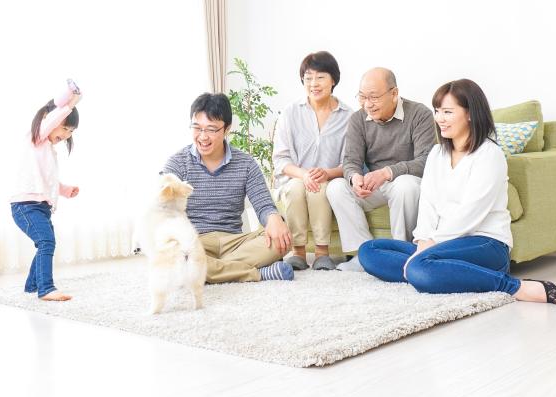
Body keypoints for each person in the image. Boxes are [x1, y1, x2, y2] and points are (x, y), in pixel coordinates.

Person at [358, 79, 556, 304]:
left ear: (470, 114)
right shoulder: (437, 153)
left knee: (419, 267)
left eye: (447, 112)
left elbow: (471, 212)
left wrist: (432, 244)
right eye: (437, 111)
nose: (439, 119)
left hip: (485, 243)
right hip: (440, 245)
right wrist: (423, 241)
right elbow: (428, 204)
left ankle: (513, 286)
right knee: (368, 251)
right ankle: (440, 271)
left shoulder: (489, 154)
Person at [161, 93, 295, 283]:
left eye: (211, 129)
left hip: (234, 242)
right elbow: (162, 204)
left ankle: (207, 268)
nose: (203, 136)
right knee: (173, 254)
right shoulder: (177, 163)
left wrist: (274, 218)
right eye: (197, 128)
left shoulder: (246, 164)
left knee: (281, 239)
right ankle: (258, 273)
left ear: (227, 129)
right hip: (194, 240)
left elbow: (264, 205)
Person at [327, 68, 436, 271]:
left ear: (394, 94)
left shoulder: (420, 114)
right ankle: (364, 255)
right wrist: (355, 177)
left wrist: (387, 172)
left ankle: (401, 254)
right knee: (336, 187)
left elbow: (426, 161)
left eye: (374, 97)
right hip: (374, 185)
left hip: (406, 181)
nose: (367, 104)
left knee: (405, 186)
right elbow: (351, 160)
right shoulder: (358, 119)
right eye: (362, 97)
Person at [272, 51, 351, 271]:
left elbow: (350, 161)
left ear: (333, 80)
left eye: (320, 77)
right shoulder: (290, 112)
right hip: (294, 178)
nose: (313, 84)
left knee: (319, 188)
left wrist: (327, 173)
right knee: (297, 187)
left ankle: (322, 253)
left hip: (330, 179)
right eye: (308, 78)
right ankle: (298, 252)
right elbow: (280, 159)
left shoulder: (348, 116)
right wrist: (304, 174)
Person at [9, 80, 82, 301]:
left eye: (71, 131)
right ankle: (46, 289)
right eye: (64, 128)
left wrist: (65, 190)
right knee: (46, 242)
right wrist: (70, 103)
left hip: (41, 207)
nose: (67, 134)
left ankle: (32, 285)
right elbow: (51, 121)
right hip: (25, 206)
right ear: (50, 121)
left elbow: (48, 181)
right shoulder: (36, 138)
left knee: (45, 242)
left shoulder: (48, 151)